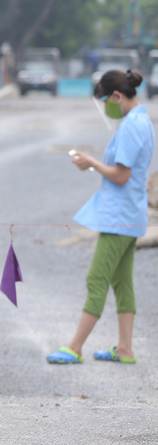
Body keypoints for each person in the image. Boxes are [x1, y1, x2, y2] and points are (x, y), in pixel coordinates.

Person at [47, 70, 153, 365]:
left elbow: (121, 175)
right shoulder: (141, 120)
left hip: (119, 218)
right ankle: (125, 348)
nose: (105, 106)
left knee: (97, 279)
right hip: (129, 214)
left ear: (116, 97)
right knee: (122, 281)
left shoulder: (132, 125)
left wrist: (90, 162)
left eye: (105, 100)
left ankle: (75, 347)